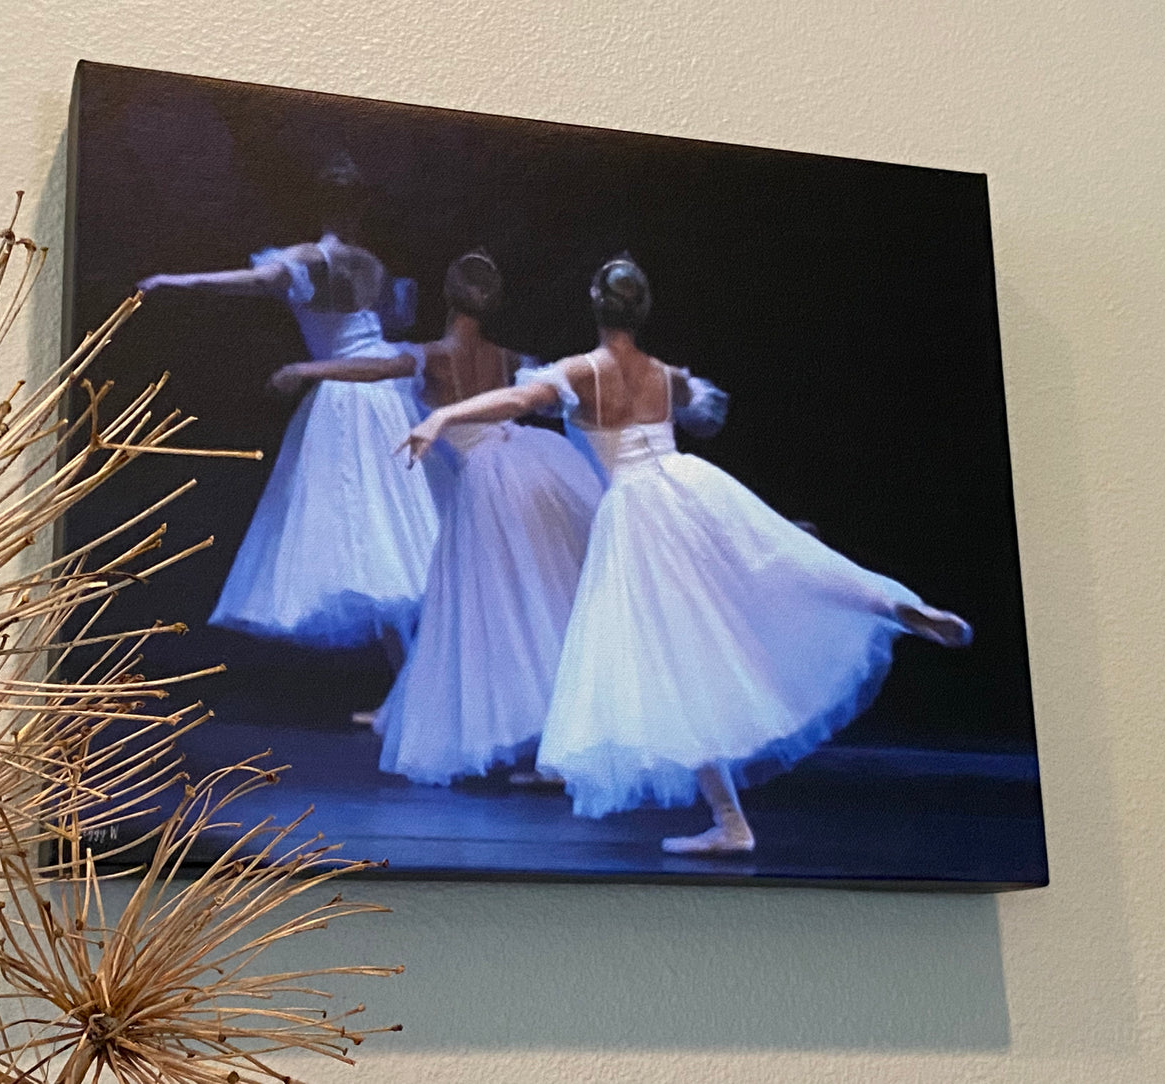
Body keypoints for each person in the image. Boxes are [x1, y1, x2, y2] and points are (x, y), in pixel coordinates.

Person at [402, 255, 971, 854]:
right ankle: (892, 602)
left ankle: (731, 820)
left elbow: (513, 403)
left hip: (638, 512)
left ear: (595, 305)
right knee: (779, 561)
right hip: (689, 483)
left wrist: (441, 414)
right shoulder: (664, 374)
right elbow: (701, 415)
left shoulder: (581, 371)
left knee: (675, 659)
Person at [275, 251, 605, 782]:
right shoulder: (507, 357)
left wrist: (306, 367)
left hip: (488, 481)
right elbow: (552, 398)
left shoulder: (437, 355)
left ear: (447, 299)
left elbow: (374, 368)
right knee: (536, 602)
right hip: (531, 462)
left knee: (493, 608)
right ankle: (555, 735)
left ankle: (540, 734)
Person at [137, 153, 437, 652]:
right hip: (387, 387)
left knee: (364, 519)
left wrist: (175, 281)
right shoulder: (371, 264)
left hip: (346, 390)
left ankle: (409, 677)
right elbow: (393, 322)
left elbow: (246, 283)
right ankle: (408, 679)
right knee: (394, 519)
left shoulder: (310, 260)